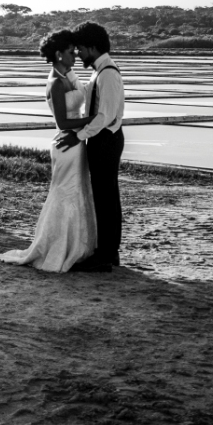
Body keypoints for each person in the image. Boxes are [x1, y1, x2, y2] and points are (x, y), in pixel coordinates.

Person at [0, 30, 97, 272]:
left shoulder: (67, 77)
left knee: (77, 191)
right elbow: (63, 122)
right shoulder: (54, 83)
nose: (75, 55)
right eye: (71, 52)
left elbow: (80, 87)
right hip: (66, 142)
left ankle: (77, 247)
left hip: (75, 143)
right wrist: (95, 119)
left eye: (75, 51)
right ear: (58, 54)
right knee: (65, 193)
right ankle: (59, 248)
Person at [56, 21, 125, 272]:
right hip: (101, 138)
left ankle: (107, 253)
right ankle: (107, 251)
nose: (79, 54)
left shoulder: (108, 74)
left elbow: (104, 116)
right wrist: (64, 66)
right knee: (103, 195)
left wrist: (80, 135)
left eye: (81, 49)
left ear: (93, 47)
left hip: (106, 138)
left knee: (106, 197)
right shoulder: (99, 71)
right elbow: (85, 93)